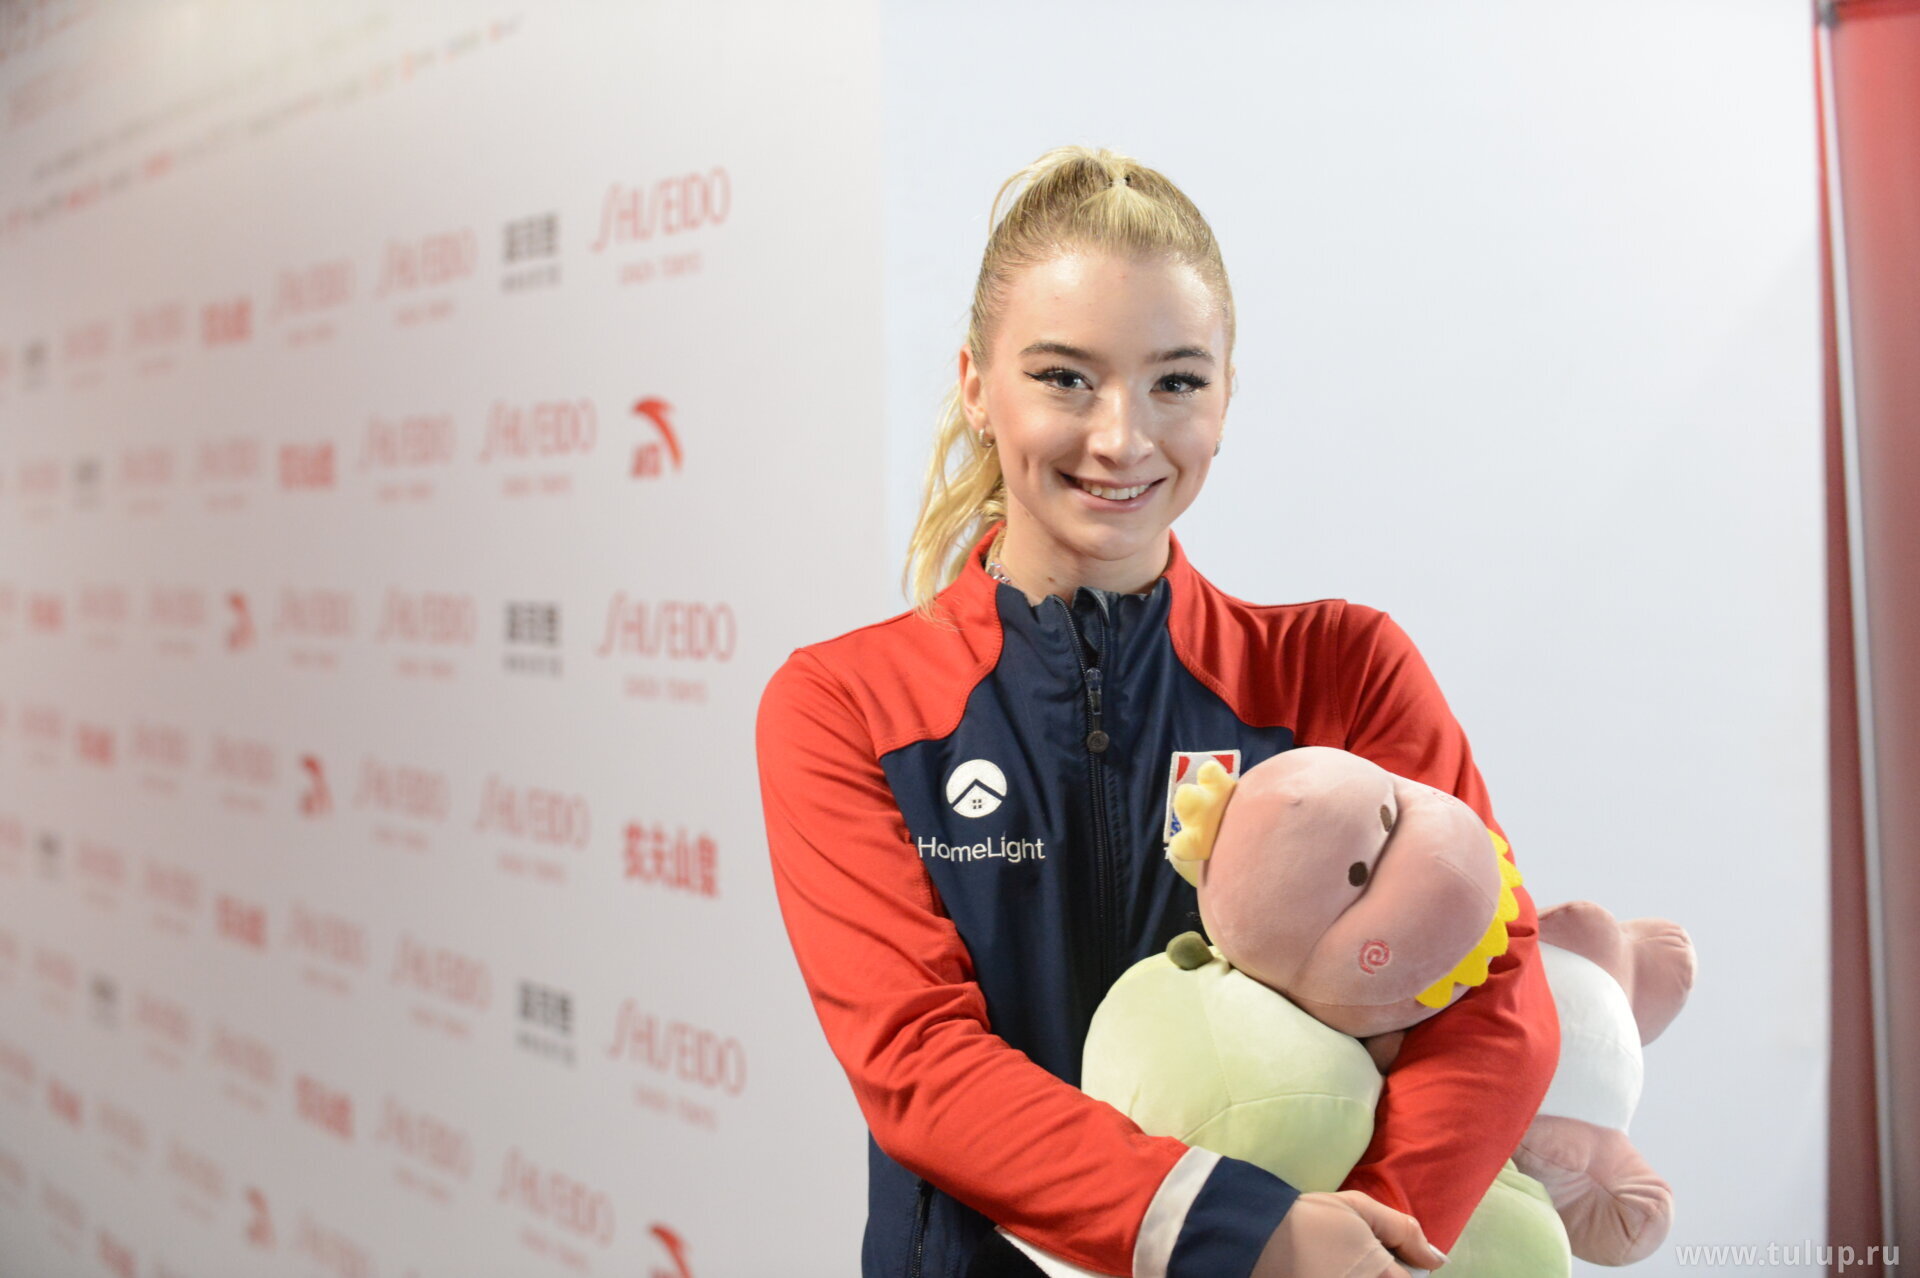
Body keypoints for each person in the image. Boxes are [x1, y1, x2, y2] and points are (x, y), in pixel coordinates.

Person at [754, 145, 1560, 1278]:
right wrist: (1251, 1238)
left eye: (1176, 382)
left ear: (1226, 397)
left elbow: (1491, 987)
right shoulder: (844, 704)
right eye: (1064, 377)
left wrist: (1366, 1242)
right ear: (977, 386)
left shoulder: (1343, 670)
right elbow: (918, 1063)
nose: (1123, 438)